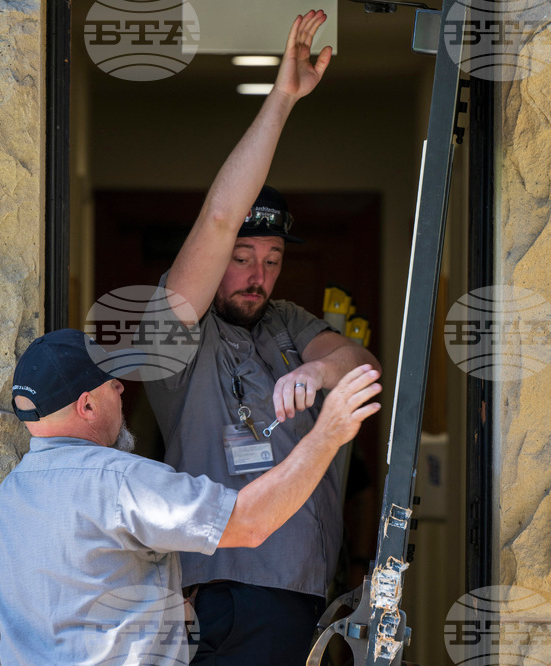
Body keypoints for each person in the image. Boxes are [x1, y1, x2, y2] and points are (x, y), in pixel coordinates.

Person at [141, 10, 384, 665]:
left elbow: (359, 361)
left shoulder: (288, 321)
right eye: (242, 257)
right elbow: (221, 218)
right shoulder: (174, 328)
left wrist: (317, 373)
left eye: (272, 259)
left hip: (291, 592)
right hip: (210, 589)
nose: (257, 276)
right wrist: (283, 99)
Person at [0, 329, 380, 665]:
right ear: (87, 405)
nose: (122, 388)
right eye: (111, 382)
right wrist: (327, 434)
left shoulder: (4, 501)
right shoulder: (119, 481)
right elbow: (249, 522)